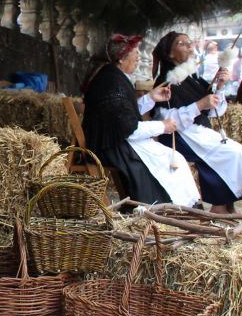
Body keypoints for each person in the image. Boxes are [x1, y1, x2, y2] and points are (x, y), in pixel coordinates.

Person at [82, 34, 200, 207]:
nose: (138, 58)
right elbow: (129, 129)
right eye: (135, 54)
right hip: (112, 146)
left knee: (173, 158)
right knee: (171, 160)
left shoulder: (113, 77)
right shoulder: (112, 82)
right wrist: (163, 126)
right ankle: (171, 208)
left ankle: (182, 207)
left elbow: (124, 114)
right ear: (121, 59)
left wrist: (151, 98)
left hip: (116, 140)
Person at [152, 32, 242, 214]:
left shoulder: (192, 79)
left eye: (190, 43)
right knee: (235, 154)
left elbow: (216, 111)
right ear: (170, 53)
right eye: (183, 44)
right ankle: (220, 208)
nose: (190, 46)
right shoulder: (166, 81)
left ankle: (222, 206)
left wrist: (220, 87)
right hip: (180, 136)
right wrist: (199, 105)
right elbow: (165, 119)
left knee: (241, 153)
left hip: (198, 133)